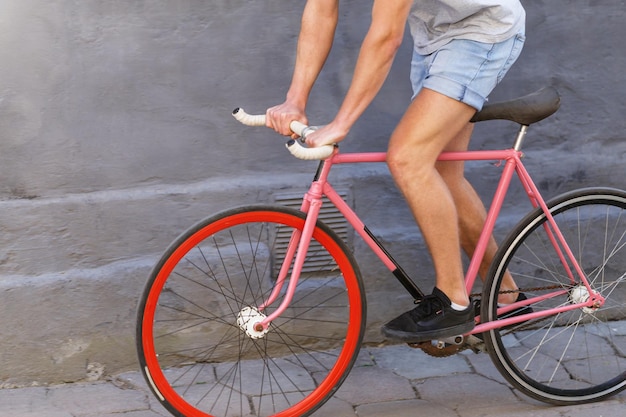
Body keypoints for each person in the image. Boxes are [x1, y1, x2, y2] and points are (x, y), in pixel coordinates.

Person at [265, 0, 526, 343]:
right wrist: (295, 99)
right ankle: (507, 298)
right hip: (436, 38)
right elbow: (321, 10)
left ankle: (453, 301)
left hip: (482, 30)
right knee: (442, 174)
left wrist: (342, 123)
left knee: (407, 157)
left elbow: (386, 37)